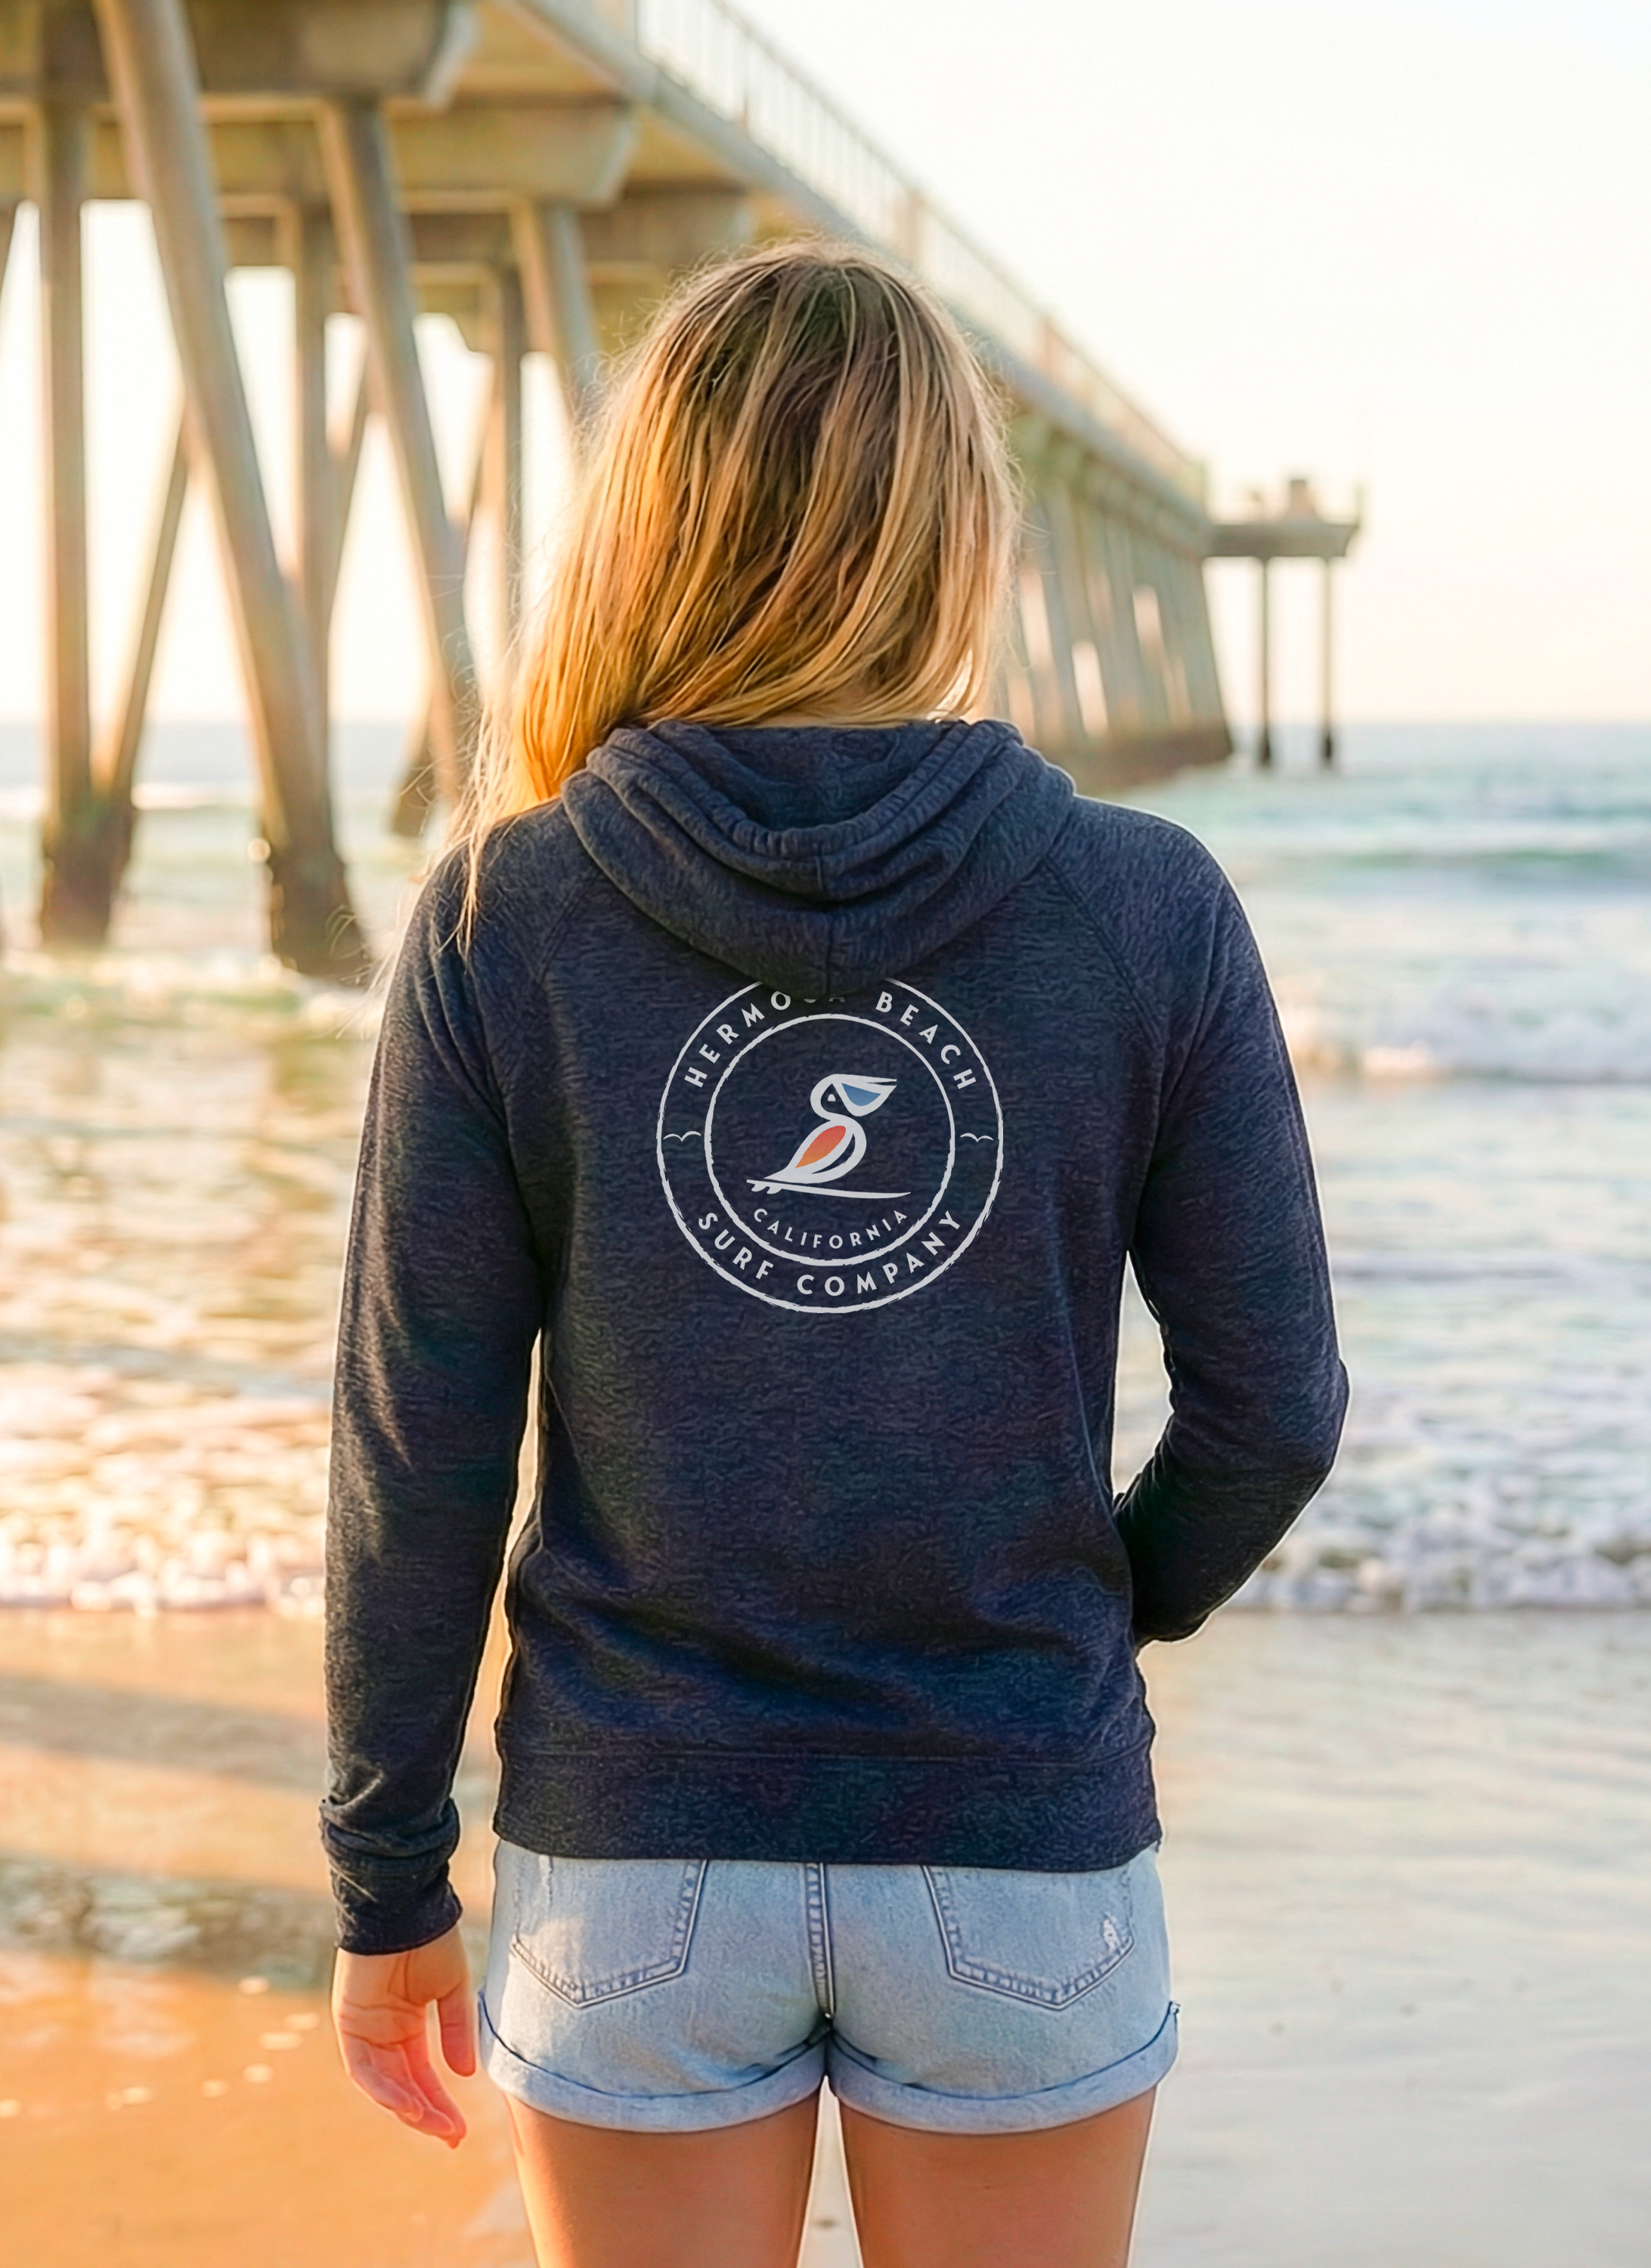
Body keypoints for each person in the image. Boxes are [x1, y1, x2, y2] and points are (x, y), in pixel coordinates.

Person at [321, 242, 1346, 2268]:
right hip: (1015, 1837)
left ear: (649, 530)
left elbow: (414, 1454)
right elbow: (1276, 1409)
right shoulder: (1145, 905)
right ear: (956, 535)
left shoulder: (498, 920)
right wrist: (1083, 1617)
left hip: (637, 1846)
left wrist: (386, 1879)